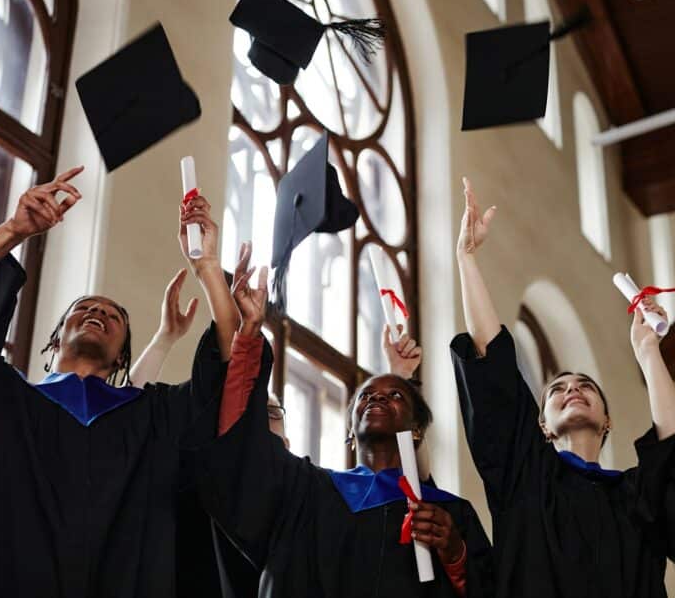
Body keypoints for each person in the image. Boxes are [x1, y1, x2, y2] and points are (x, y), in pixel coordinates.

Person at [0, 167, 239, 597]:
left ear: (122, 358)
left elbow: (229, 379)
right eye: (85, 308)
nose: (99, 313)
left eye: (115, 317)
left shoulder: (154, 422)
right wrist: (14, 231)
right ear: (56, 336)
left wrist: (207, 268)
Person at [449, 177, 675, 597]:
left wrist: (648, 352)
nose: (573, 389)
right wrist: (466, 259)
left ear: (607, 419)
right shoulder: (526, 477)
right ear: (540, 424)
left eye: (585, 386)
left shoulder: (636, 497)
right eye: (558, 389)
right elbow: (492, 356)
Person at [183, 243, 495, 597]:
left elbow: (487, 587)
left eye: (395, 395)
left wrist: (456, 555)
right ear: (350, 432)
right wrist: (249, 334)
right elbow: (239, 453)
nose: (376, 396)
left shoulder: (448, 514)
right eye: (365, 396)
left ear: (418, 430)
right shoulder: (306, 491)